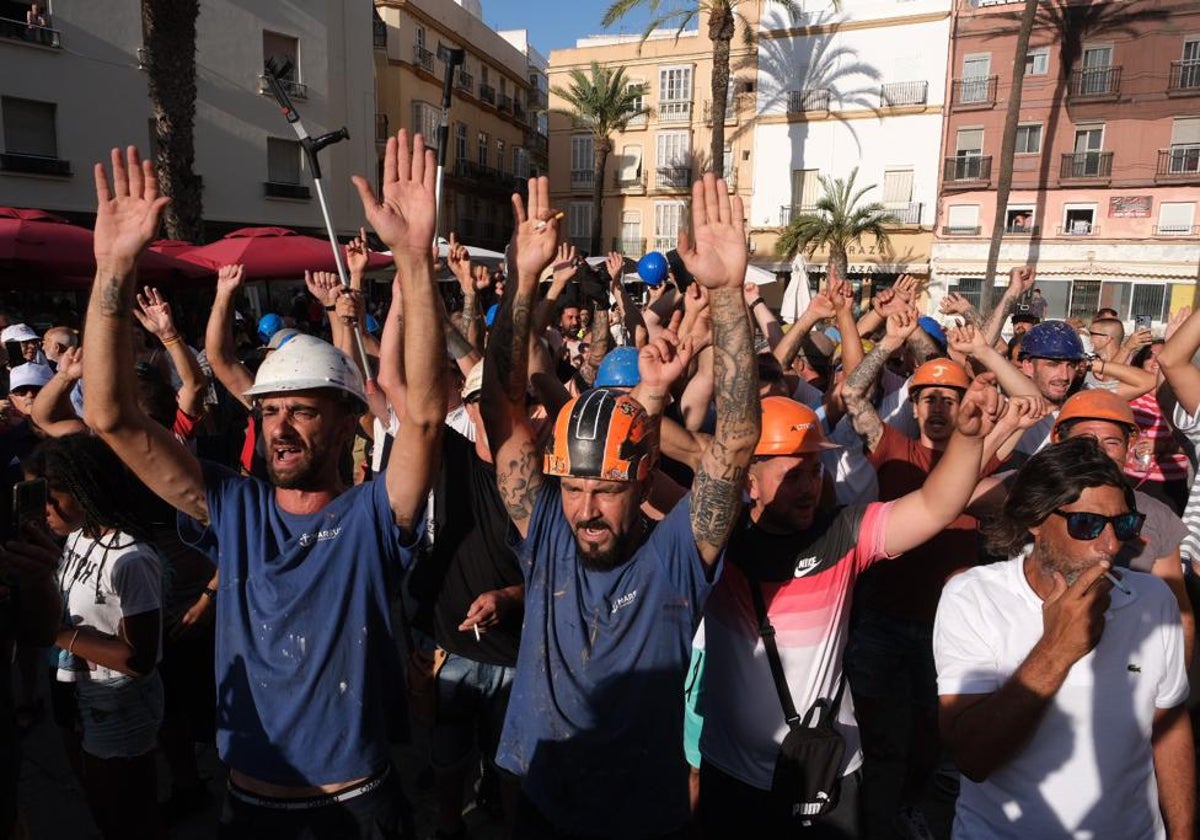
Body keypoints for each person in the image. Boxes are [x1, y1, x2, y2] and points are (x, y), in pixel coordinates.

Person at [81, 136, 447, 838]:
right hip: (247, 809)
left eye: (302, 411)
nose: (279, 429)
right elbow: (111, 417)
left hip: (356, 808)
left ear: (347, 423)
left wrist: (415, 259)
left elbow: (425, 414)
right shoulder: (234, 508)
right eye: (270, 411)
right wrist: (114, 269)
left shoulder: (375, 515)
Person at [481, 172, 760, 838]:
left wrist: (725, 296)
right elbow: (502, 407)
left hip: (643, 820)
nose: (586, 509)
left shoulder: (676, 559)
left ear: (643, 482)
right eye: (574, 488)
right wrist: (524, 282)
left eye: (606, 490)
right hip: (543, 804)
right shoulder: (546, 526)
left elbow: (738, 440)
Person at [697, 373, 1002, 838]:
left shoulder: (844, 534)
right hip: (732, 774)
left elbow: (936, 507)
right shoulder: (715, 542)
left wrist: (967, 438)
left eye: (814, 471)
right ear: (750, 482)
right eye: (792, 474)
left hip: (829, 775)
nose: (808, 486)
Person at [935, 437, 1194, 839]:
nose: (1109, 547)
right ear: (1035, 520)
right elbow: (973, 757)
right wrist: (1057, 651)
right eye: (1086, 524)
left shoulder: (1153, 600)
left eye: (1124, 524)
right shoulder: (973, 598)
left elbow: (1170, 726)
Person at [30, 434, 165, 840]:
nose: (45, 510)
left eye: (52, 497)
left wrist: (59, 633)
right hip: (78, 690)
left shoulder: (132, 560)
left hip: (119, 700)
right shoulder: (76, 537)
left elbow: (140, 659)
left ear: (84, 491)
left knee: (124, 815)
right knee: (101, 804)